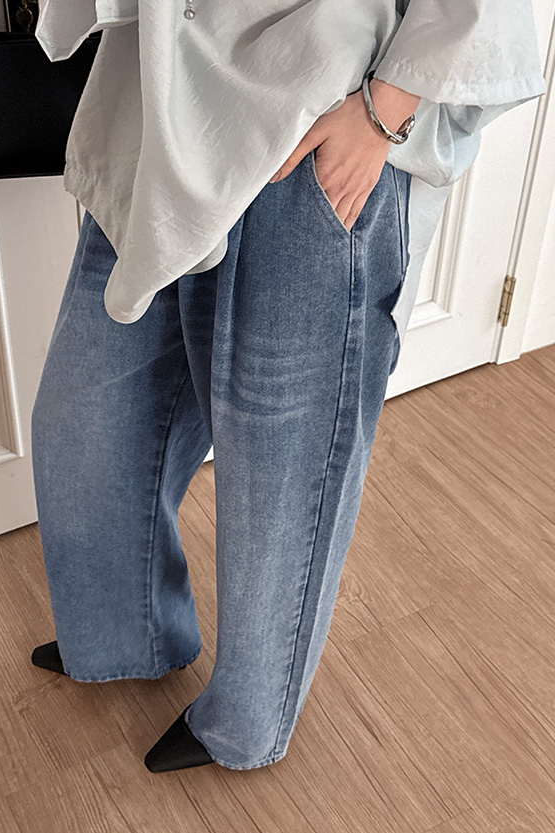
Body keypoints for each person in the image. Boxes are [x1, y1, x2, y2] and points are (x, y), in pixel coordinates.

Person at [29, 0, 546, 772]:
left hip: (315, 120)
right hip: (165, 104)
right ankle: (124, 634)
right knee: (85, 415)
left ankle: (247, 723)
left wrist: (381, 115)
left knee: (282, 469)